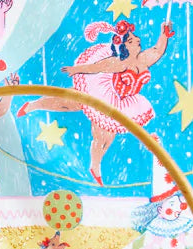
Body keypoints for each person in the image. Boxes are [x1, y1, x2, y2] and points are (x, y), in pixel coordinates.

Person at [17, 19, 173, 185]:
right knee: (67, 102)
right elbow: (97, 67)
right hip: (104, 95)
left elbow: (157, 50)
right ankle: (33, 105)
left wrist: (164, 35)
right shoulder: (119, 63)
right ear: (124, 46)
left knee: (107, 138)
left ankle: (95, 166)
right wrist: (76, 69)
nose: (137, 39)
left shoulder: (144, 59)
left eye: (135, 37)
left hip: (122, 103)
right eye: (131, 40)